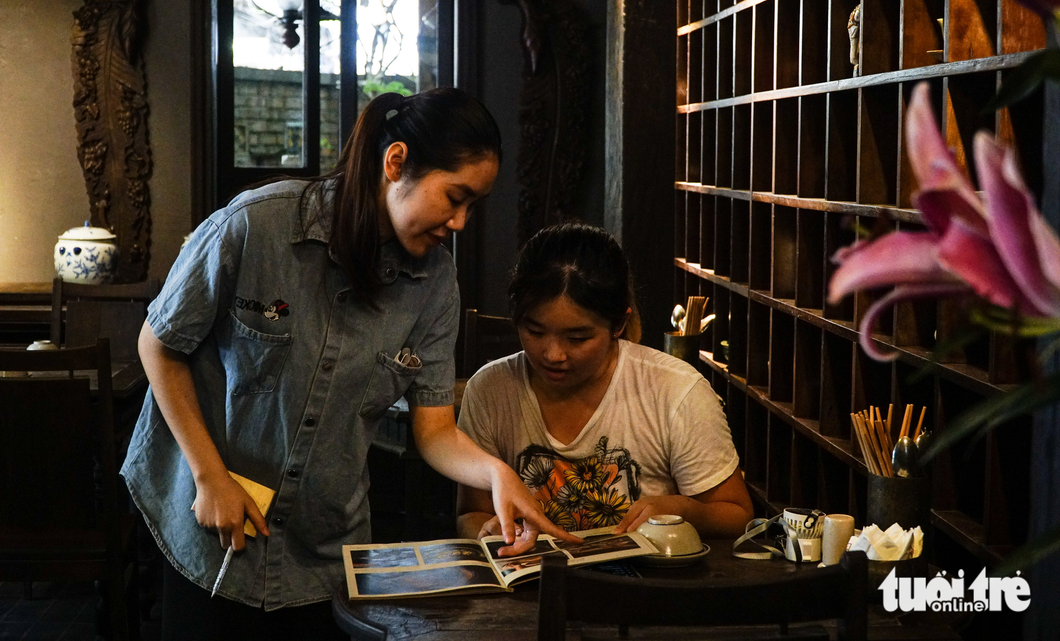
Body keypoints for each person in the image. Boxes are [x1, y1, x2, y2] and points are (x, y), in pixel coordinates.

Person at [121, 88, 576, 640]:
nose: (459, 222)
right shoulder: (256, 226)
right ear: (396, 163)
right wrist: (209, 475)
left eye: (473, 207)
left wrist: (497, 474)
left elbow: (433, 429)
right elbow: (158, 344)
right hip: (213, 528)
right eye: (454, 197)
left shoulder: (434, 284)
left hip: (323, 550)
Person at [455, 223, 754, 554]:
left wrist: (684, 511)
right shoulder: (490, 389)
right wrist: (491, 530)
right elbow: (472, 511)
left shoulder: (676, 390)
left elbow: (737, 515)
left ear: (619, 324)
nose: (553, 354)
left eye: (578, 338)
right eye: (535, 332)